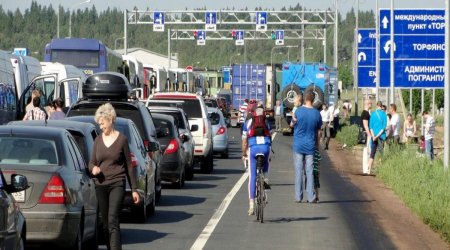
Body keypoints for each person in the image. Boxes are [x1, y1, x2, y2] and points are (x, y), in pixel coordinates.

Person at [89, 103, 139, 250]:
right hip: (101, 185)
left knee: (112, 219)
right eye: (99, 123)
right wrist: (94, 169)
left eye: (102, 122)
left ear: (110, 119)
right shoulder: (98, 140)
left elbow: (129, 166)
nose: (100, 126)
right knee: (105, 224)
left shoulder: (122, 140)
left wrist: (134, 189)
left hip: (117, 183)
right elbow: (91, 162)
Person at [242, 103, 272, 215]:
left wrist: (244, 154)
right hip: (265, 148)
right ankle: (266, 192)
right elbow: (270, 139)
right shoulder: (266, 123)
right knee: (266, 168)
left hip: (253, 149)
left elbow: (244, 141)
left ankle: (251, 205)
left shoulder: (248, 123)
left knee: (252, 176)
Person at [291, 91, 322, 203]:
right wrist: (317, 145)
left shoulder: (298, 111)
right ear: (313, 100)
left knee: (298, 171)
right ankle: (311, 197)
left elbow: (292, 125)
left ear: (304, 99)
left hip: (298, 145)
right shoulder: (317, 114)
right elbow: (319, 132)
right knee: (309, 171)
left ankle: (298, 197)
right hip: (310, 146)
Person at [367, 101, 387, 175]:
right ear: (381, 106)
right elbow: (383, 128)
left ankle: (369, 170)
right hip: (381, 136)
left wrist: (373, 136)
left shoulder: (373, 114)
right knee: (381, 153)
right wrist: (378, 136)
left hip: (373, 136)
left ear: (376, 106)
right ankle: (381, 170)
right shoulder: (384, 114)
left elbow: (371, 127)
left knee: (372, 153)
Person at [361, 99, 372, 175]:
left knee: (367, 151)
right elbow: (365, 125)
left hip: (367, 133)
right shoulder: (365, 113)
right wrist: (369, 134)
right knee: (366, 151)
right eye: (371, 104)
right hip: (366, 133)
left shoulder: (367, 112)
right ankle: (365, 169)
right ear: (368, 104)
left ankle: (366, 169)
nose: (371, 105)